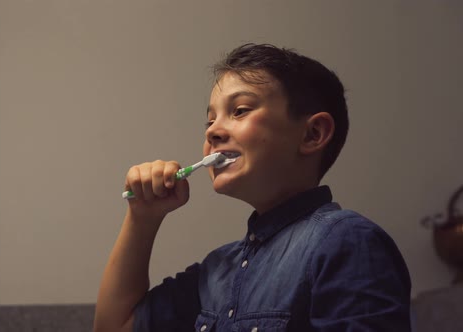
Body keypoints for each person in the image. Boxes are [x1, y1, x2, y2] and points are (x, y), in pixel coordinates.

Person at [93, 43, 411, 331]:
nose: (213, 131)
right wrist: (142, 217)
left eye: (240, 110)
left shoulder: (346, 240)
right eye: (209, 121)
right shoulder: (217, 269)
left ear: (313, 134)